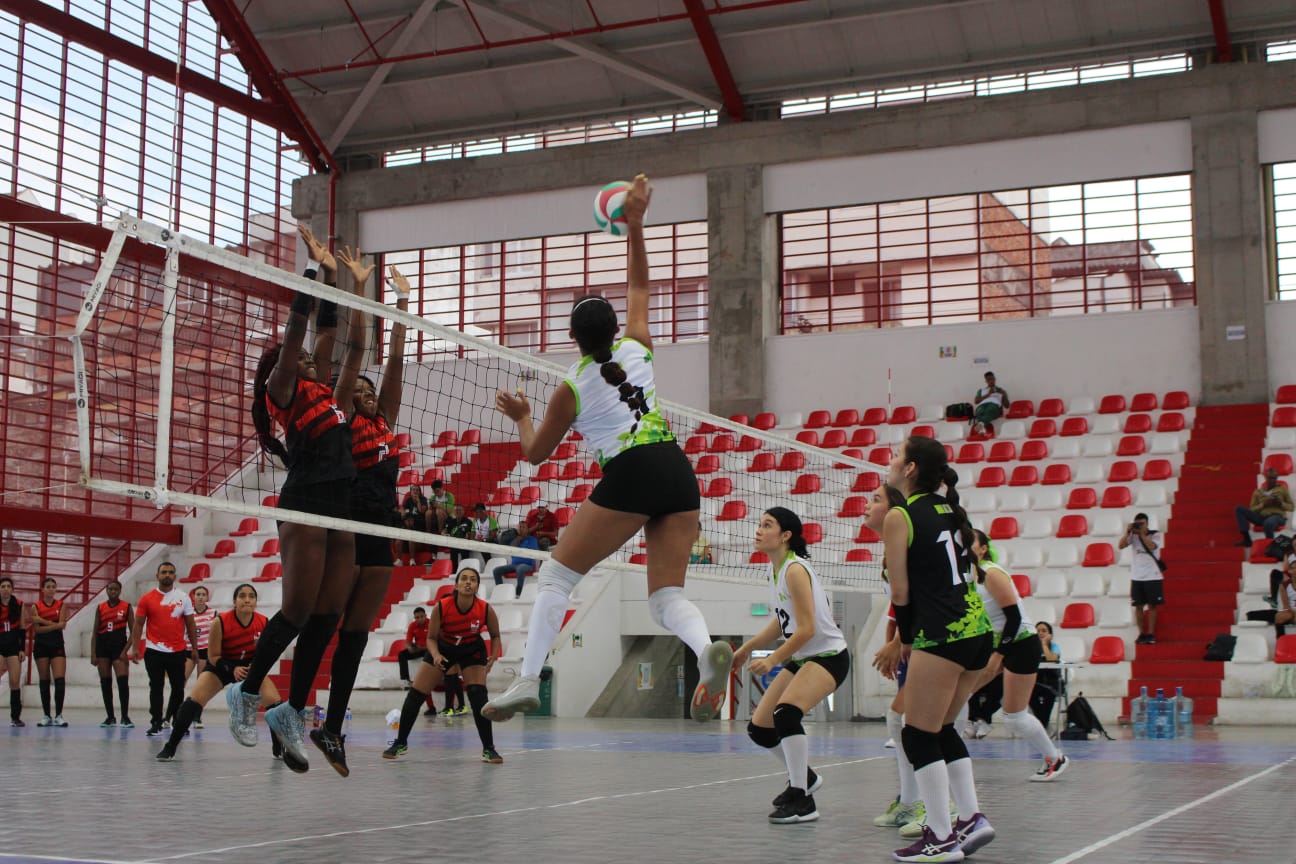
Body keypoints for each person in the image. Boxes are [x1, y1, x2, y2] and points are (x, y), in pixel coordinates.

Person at [484, 176, 732, 724]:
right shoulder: (638, 346)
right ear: (615, 328)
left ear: (574, 340)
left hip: (633, 472)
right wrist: (636, 223)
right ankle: (705, 648)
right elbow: (641, 284)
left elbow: (534, 455)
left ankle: (527, 678)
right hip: (677, 469)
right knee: (665, 597)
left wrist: (523, 417)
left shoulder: (569, 388)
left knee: (555, 577)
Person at [229, 228, 365, 774]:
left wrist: (336, 278)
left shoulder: (328, 393)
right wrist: (310, 274)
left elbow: (328, 331)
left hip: (343, 501)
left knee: (329, 613)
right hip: (306, 500)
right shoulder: (282, 390)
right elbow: (299, 331)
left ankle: (292, 709)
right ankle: (247, 692)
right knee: (298, 609)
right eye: (300, 357)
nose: (312, 357)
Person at [876, 436, 995, 862]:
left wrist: (904, 641)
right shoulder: (950, 510)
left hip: (941, 634)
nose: (889, 461)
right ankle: (971, 819)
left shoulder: (900, 515)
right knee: (941, 729)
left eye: (896, 455)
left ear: (910, 470)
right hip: (977, 630)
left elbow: (901, 593)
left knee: (916, 734)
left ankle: (941, 838)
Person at [310, 253, 406, 779]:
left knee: (356, 633)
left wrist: (404, 304)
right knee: (325, 622)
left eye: (371, 392)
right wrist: (360, 292)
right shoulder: (343, 419)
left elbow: (392, 364)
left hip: (382, 532)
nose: (367, 393)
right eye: (360, 391)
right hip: (346, 525)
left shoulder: (385, 417)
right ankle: (299, 707)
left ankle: (333, 727)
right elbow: (353, 354)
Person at [733, 507, 850, 824]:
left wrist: (772, 658)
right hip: (804, 658)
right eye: (759, 524)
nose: (758, 530)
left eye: (767, 525)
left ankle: (802, 798)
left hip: (828, 657)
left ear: (786, 535)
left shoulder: (795, 570)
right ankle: (806, 778)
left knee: (786, 714)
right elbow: (782, 622)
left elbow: (808, 629)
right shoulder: (776, 570)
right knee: (760, 728)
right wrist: (748, 647)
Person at [968, 531, 1068, 781]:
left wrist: (998, 655)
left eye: (971, 541)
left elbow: (1013, 618)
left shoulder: (990, 573)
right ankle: (950, 759)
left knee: (1014, 717)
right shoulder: (964, 577)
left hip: (1021, 644)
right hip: (993, 643)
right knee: (958, 696)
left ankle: (1055, 757)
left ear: (982, 549)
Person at [384, 566, 504, 763]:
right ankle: (400, 742)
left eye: (472, 580)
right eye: (463, 579)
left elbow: (496, 635)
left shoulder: (484, 608)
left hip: (471, 649)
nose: (468, 582)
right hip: (444, 647)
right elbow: (431, 638)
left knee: (478, 696)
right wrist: (436, 655)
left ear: (477, 586)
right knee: (416, 694)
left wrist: (493, 656)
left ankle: (489, 749)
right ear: (456, 584)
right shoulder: (442, 606)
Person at [157, 584, 285, 762]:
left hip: (248, 668)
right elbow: (213, 656)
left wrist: (252, 669)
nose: (247, 599)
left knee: (275, 703)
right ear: (234, 601)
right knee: (193, 700)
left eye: (251, 596)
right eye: (242, 596)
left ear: (256, 601)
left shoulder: (263, 622)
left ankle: (279, 748)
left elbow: (264, 655)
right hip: (221, 666)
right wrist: (232, 669)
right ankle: (170, 747)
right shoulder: (221, 622)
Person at [869, 484, 933, 837]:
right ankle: (913, 800)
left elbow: (915, 599)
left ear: (895, 511)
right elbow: (897, 608)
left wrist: (899, 642)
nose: (867, 505)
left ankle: (937, 805)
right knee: (901, 720)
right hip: (914, 641)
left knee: (921, 726)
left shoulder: (907, 547)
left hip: (935, 638)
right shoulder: (887, 555)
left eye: (876, 500)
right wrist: (892, 645)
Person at [131, 562, 199, 736]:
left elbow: (190, 624)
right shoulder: (147, 599)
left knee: (178, 688)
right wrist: (135, 647)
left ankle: (177, 721)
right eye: (163, 572)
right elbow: (138, 624)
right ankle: (156, 722)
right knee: (156, 687)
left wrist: (194, 648)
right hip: (154, 650)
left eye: (170, 572)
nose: (167, 575)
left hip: (177, 650)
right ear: (157, 576)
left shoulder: (183, 598)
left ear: (175, 576)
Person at [90, 579, 135, 728]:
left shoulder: (126, 607)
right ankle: (110, 716)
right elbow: (95, 631)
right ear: (106, 591)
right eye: (110, 589)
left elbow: (134, 632)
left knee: (123, 682)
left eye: (116, 589)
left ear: (120, 591)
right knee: (105, 682)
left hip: (119, 647)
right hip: (103, 647)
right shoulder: (101, 607)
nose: (113, 592)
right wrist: (93, 653)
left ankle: (125, 716)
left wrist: (125, 651)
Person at [1117, 512, 1163, 645]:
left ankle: (1151, 633)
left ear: (1147, 524)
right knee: (1138, 606)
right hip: (1137, 576)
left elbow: (1152, 547)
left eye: (1142, 523)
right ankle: (1142, 633)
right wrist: (1127, 532)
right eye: (1138, 523)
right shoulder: (1133, 536)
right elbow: (1120, 546)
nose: (1140, 526)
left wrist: (1142, 534)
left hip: (1153, 575)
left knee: (1152, 605)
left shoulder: (1154, 534)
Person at [30, 576, 69, 727]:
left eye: (53, 587)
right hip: (41, 645)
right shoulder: (36, 606)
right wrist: (54, 624)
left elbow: (63, 625)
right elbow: (37, 630)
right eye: (48, 587)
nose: (51, 589)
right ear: (42, 589)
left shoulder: (61, 605)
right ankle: (46, 715)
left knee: (59, 679)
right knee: (44, 680)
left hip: (57, 644)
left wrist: (44, 621)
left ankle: (59, 715)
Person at [1234, 467, 1293, 545]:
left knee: (1268, 523)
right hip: (1261, 517)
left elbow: (1292, 507)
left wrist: (1281, 503)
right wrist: (1263, 505)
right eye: (1270, 478)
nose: (1272, 480)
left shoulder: (1282, 489)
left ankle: (1271, 546)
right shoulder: (1258, 492)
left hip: (1277, 516)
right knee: (1239, 509)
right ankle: (1246, 538)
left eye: (1274, 478)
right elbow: (1252, 509)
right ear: (1265, 477)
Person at [184, 585, 215, 729]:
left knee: (200, 684)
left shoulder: (213, 613)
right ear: (193, 596)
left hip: (204, 651)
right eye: (198, 594)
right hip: (190, 650)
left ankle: (197, 717)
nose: (201, 597)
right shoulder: (188, 613)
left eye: (203, 594)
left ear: (207, 597)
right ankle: (175, 715)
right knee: (180, 681)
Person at [0, 577, 24, 726]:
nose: (6, 589)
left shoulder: (19, 605)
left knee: (14, 681)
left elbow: (22, 628)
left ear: (12, 589)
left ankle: (15, 717)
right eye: (3, 586)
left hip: (13, 647)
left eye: (9, 586)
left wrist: (22, 649)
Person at [493, 521, 540, 597]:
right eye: (519, 527)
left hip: (527, 565)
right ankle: (501, 590)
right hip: (514, 565)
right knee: (496, 570)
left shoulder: (532, 539)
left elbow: (534, 553)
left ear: (527, 529)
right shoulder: (514, 540)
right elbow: (512, 551)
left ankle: (518, 592)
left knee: (520, 569)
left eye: (523, 527)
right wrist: (518, 540)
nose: (521, 529)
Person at [1031, 622, 1062, 728]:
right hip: (1035, 682)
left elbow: (1051, 659)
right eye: (1038, 631)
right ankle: (1043, 724)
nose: (1040, 633)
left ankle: (1042, 725)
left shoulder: (1054, 646)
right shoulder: (1031, 647)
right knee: (1029, 694)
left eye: (1044, 631)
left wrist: (1044, 644)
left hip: (1051, 682)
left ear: (1050, 634)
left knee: (1050, 695)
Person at [971, 372, 1009, 436]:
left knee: (990, 409)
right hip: (982, 405)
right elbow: (976, 401)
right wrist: (988, 394)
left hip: (994, 406)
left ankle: (981, 425)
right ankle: (982, 427)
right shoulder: (981, 390)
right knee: (979, 411)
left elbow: (1007, 406)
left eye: (992, 379)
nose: (990, 381)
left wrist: (1004, 395)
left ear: (994, 379)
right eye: (988, 379)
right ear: (986, 381)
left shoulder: (1001, 391)